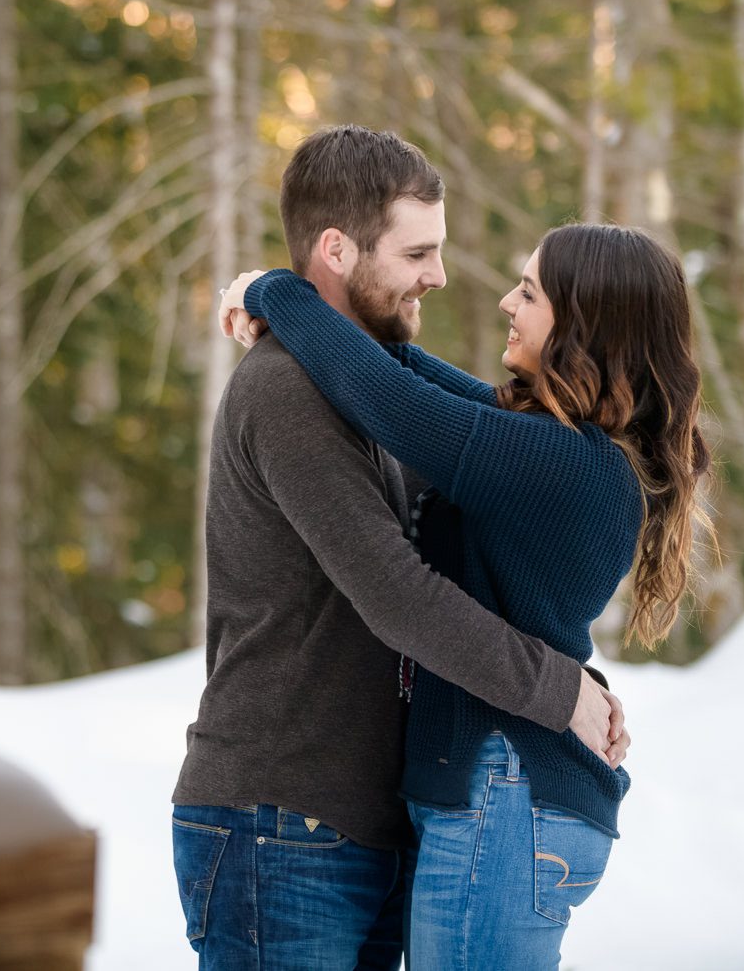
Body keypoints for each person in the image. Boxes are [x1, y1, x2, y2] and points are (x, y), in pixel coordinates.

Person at [172, 125, 627, 971]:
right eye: (418, 251)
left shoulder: (376, 391)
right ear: (338, 250)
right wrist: (553, 686)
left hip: (366, 826)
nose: (441, 275)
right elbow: (399, 595)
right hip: (282, 818)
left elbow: (478, 541)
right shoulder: (287, 390)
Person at [219, 209, 710, 970]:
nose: (509, 305)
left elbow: (393, 400)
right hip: (511, 794)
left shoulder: (559, 461)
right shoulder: (569, 451)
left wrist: (280, 294)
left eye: (529, 292)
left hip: (504, 796)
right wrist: (300, 314)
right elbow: (413, 375)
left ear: (584, 325)